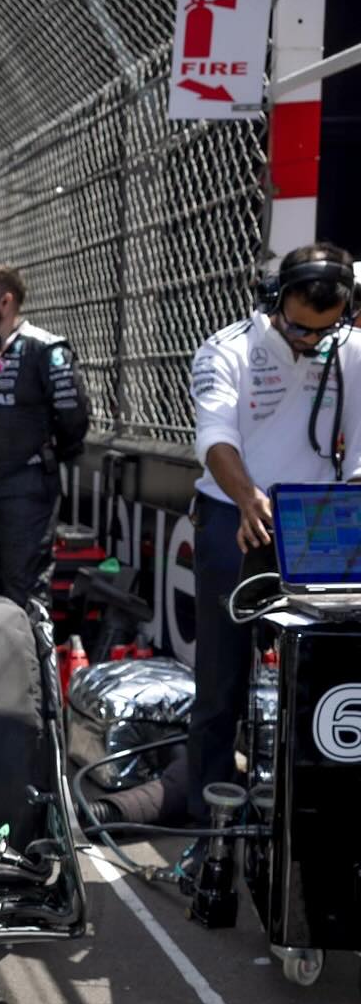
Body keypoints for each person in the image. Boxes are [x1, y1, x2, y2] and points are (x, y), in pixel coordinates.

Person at [184, 242, 360, 826]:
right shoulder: (227, 348)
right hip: (233, 517)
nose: (309, 340)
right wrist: (246, 497)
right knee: (221, 681)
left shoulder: (351, 351)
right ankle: (208, 825)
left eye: (323, 330)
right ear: (273, 298)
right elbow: (214, 437)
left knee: (321, 672)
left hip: (319, 524)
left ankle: (306, 815)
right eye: (298, 327)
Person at [0, 262, 90, 607]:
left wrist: (44, 456)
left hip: (26, 485)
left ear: (5, 301)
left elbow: (73, 418)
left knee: (24, 588)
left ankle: (31, 645)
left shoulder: (45, 350)